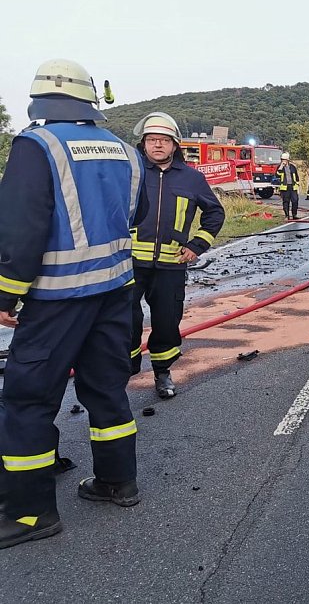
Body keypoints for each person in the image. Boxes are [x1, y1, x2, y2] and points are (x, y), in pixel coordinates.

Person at [0, 59, 147, 548]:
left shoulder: (37, 145)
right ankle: (117, 482)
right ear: (90, 100)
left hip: (57, 298)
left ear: (40, 101)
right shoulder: (126, 151)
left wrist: (6, 292)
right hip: (116, 291)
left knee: (27, 401)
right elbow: (138, 213)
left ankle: (30, 514)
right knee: (106, 388)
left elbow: (20, 227)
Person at [130, 112, 224, 399]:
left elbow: (215, 213)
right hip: (129, 264)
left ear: (174, 144)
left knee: (167, 322)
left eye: (164, 140)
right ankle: (125, 371)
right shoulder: (130, 172)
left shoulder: (192, 179)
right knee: (123, 319)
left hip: (171, 264)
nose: (157, 145)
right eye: (152, 140)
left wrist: (197, 245)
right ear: (143, 143)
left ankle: (162, 372)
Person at [276, 152, 300, 219]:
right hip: (285, 187)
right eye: (282, 159)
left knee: (295, 201)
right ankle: (287, 215)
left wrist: (297, 185)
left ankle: (294, 215)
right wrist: (281, 166)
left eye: (284, 159)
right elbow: (277, 175)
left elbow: (297, 177)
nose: (283, 161)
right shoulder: (280, 167)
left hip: (293, 187)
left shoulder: (292, 167)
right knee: (286, 202)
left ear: (287, 160)